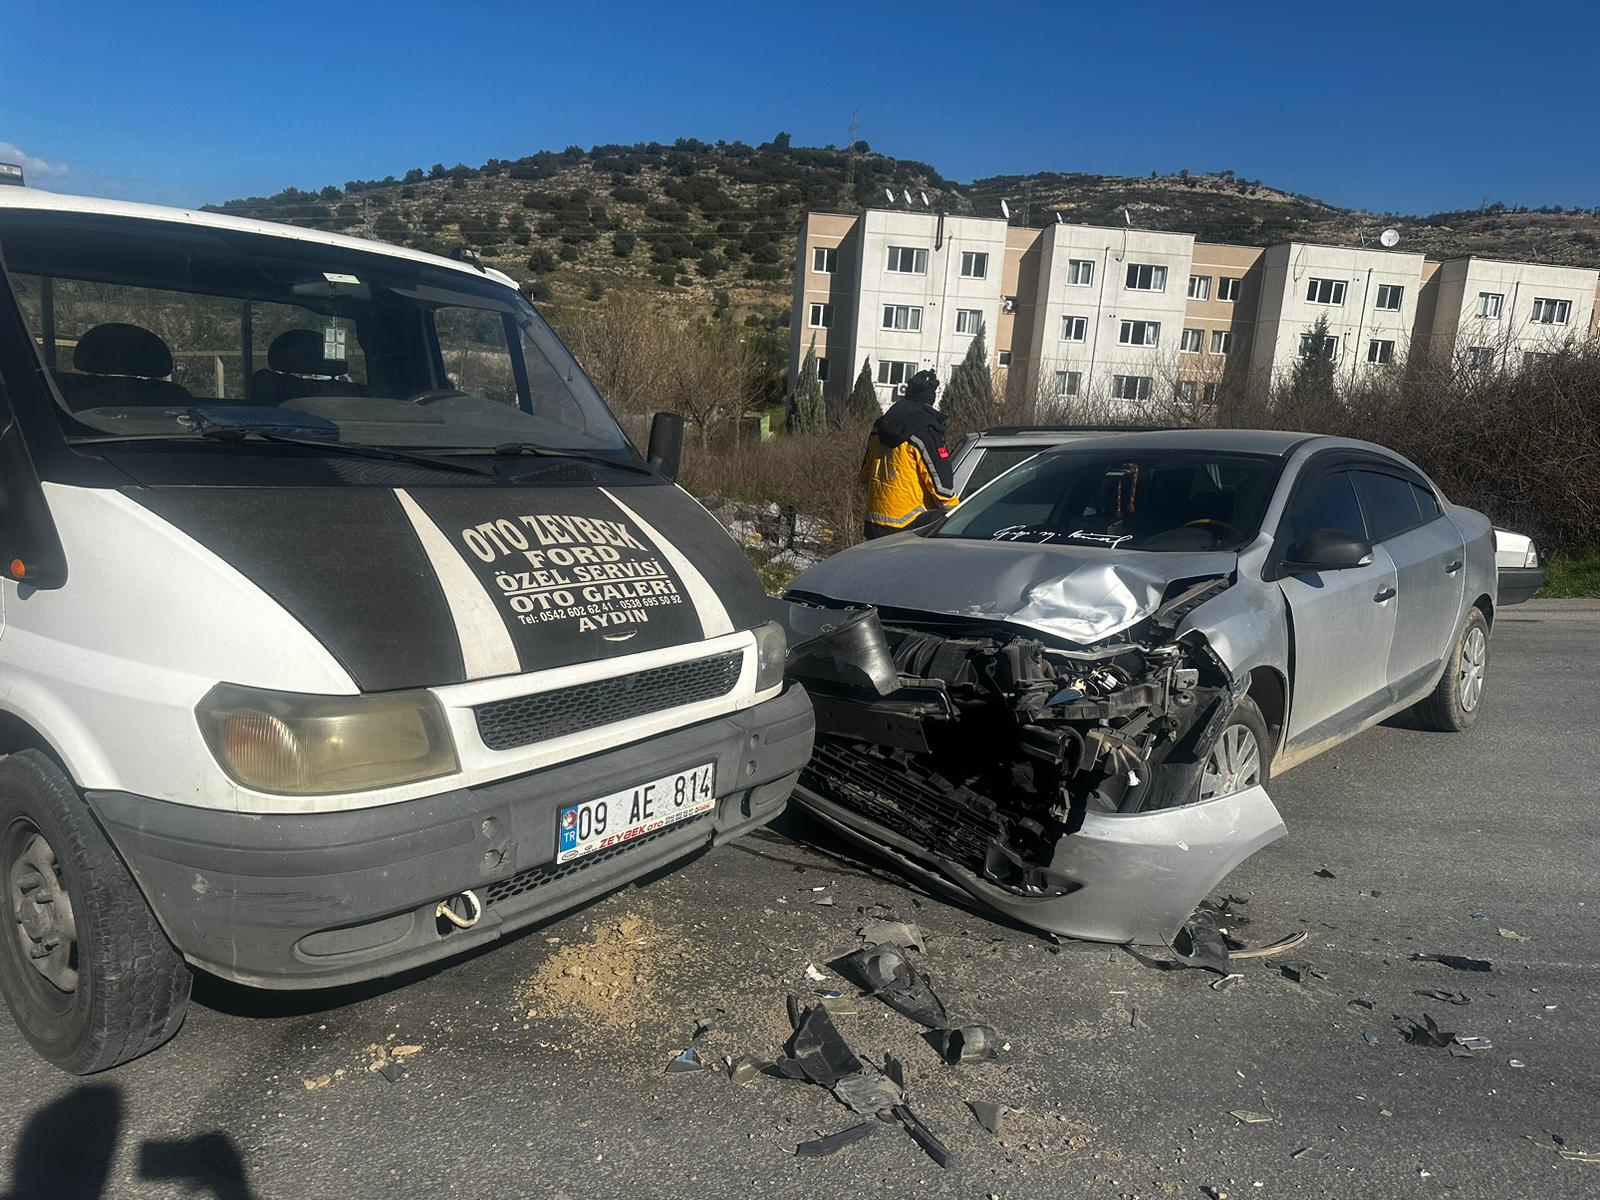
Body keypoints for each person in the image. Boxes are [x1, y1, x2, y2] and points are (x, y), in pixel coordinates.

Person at [859, 369, 958, 540]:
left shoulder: (880, 426)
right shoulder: (925, 429)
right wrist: (958, 513)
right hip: (909, 523)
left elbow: (865, 475)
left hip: (873, 522)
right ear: (930, 399)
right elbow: (942, 488)